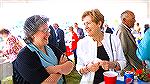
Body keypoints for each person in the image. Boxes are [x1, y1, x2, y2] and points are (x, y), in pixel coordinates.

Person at [12, 15, 74, 84]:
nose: (49, 34)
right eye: (45, 30)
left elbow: (70, 64)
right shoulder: (24, 56)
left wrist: (52, 69)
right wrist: (61, 68)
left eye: (48, 30)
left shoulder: (50, 47)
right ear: (32, 34)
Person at [76, 9, 126, 84]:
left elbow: (123, 61)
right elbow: (79, 66)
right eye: (84, 24)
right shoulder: (81, 43)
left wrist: (111, 64)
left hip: (111, 81)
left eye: (88, 23)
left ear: (99, 23)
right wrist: (87, 68)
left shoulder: (113, 39)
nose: (85, 27)